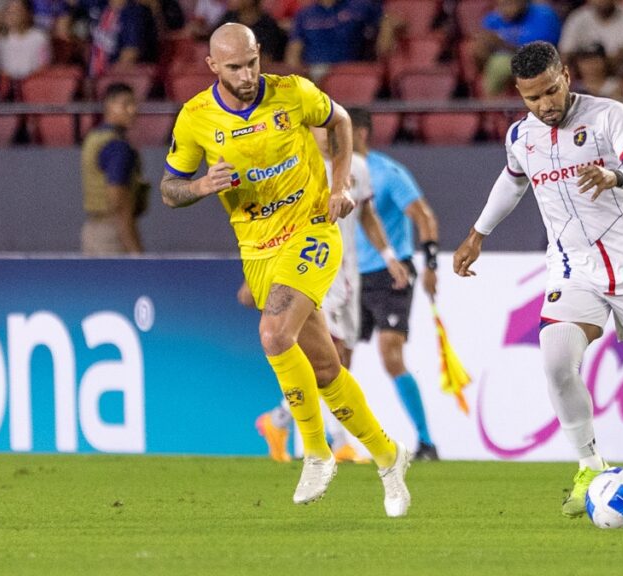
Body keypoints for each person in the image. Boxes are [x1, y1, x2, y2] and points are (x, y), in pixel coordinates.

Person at [452, 41, 623, 524]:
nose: (545, 105)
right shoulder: (521, 137)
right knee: (555, 361)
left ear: (566, 76)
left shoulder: (609, 116)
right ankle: (591, 466)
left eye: (551, 91)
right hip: (574, 271)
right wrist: (477, 233)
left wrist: (615, 177)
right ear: (520, 94)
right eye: (533, 98)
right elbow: (512, 181)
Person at [160, 23, 412, 517]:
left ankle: (315, 450)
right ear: (212, 67)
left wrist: (339, 186)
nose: (248, 73)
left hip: (312, 230)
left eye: (253, 61)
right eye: (234, 66)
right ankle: (389, 456)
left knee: (274, 333)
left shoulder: (292, 93)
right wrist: (201, 187)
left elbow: (340, 122)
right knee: (323, 368)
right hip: (257, 250)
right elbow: (170, 188)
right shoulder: (195, 119)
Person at [250, 126, 410, 464]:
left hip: (349, 275)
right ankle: (339, 442)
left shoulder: (357, 168)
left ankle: (277, 420)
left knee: (339, 363)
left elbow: (368, 217)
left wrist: (389, 257)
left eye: (333, 127)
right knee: (331, 356)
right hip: (314, 274)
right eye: (319, 128)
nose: (327, 135)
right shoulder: (292, 168)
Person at [350, 107, 442, 462]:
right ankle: (329, 440)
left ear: (358, 133)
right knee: (335, 360)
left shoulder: (388, 173)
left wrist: (431, 263)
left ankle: (425, 442)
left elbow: (424, 216)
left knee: (391, 354)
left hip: (392, 274)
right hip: (351, 275)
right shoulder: (334, 173)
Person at [80, 82, 147, 254]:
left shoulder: (93, 138)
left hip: (91, 229)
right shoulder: (118, 147)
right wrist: (135, 250)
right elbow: (119, 204)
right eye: (125, 104)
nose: (132, 110)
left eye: (134, 104)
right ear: (109, 105)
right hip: (113, 234)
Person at [474, 0, 561, 96]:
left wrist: (502, 44)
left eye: (510, 3)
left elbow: (540, 52)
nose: (505, 8)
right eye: (501, 4)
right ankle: (490, 106)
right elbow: (481, 47)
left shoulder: (544, 15)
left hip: (538, 63)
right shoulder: (493, 18)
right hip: (498, 63)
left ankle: (492, 105)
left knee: (499, 64)